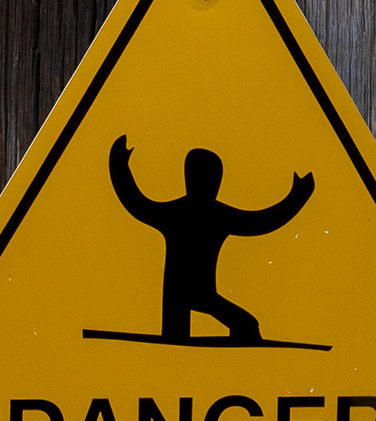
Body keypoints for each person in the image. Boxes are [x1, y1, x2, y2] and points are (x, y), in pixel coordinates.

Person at [106, 138, 311, 345]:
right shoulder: (202, 214)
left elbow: (262, 222)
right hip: (194, 293)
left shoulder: (193, 213)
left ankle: (175, 335)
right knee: (246, 325)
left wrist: (118, 162)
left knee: (243, 324)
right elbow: (136, 202)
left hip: (190, 293)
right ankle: (176, 336)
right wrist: (118, 162)